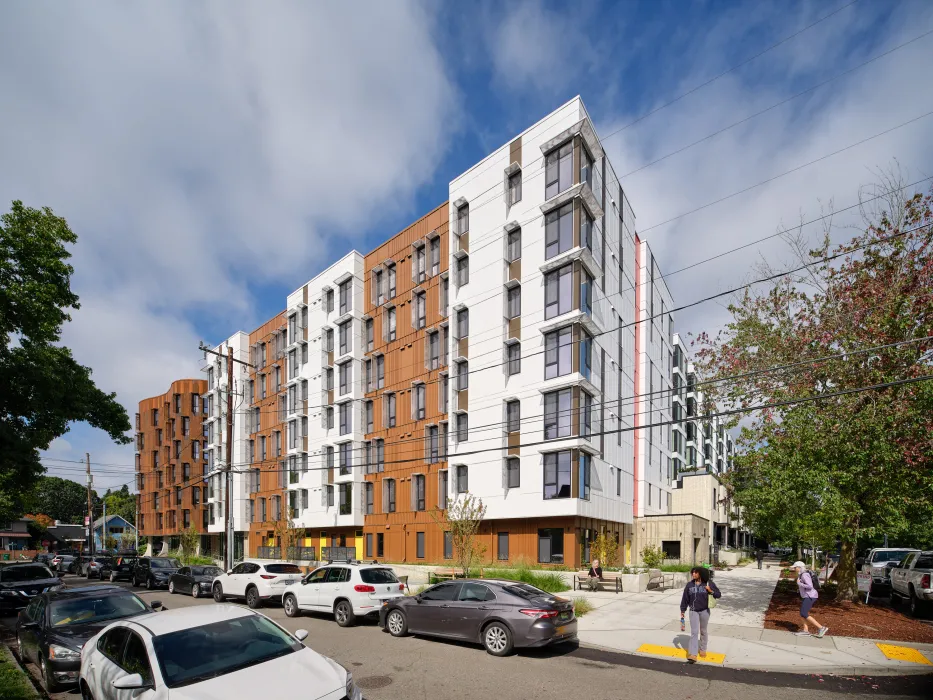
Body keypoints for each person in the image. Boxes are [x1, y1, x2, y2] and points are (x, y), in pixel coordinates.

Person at [679, 566, 722, 663]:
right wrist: (682, 610)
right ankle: (693, 654)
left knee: (703, 630)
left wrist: (710, 591)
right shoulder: (689, 585)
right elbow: (685, 598)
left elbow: (718, 595)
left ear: (701, 574)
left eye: (695, 573)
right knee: (694, 632)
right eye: (692, 573)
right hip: (693, 610)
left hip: (704, 611)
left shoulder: (709, 583)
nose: (693, 574)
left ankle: (703, 649)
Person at [793, 561, 828, 637]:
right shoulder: (802, 574)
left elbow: (810, 586)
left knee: (803, 613)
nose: (794, 569)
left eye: (795, 567)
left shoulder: (804, 575)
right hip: (807, 596)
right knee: (802, 613)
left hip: (810, 596)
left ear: (799, 567)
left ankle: (821, 628)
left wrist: (800, 584)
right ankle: (805, 630)